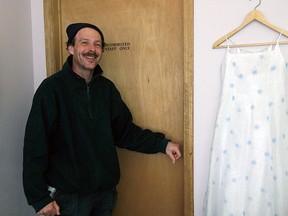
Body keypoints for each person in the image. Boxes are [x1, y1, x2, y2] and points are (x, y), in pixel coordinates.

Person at [23, 23, 181, 216]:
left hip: (105, 197)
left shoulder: (107, 89)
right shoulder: (51, 90)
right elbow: (35, 145)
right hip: (69, 200)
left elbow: (124, 132)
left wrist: (162, 144)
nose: (92, 49)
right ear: (71, 48)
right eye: (85, 43)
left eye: (97, 44)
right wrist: (39, 199)